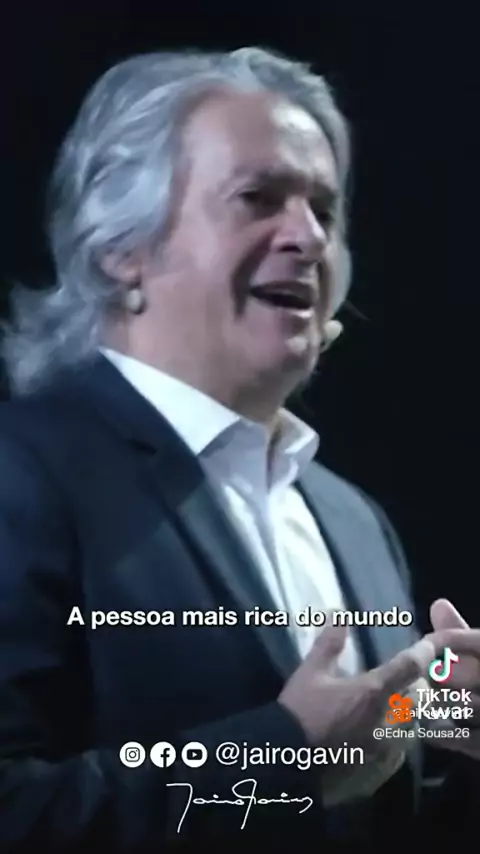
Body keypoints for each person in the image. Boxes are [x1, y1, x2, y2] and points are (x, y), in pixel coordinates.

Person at [0, 46, 479, 851]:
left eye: (325, 210)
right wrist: (282, 759)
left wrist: (459, 743)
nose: (308, 237)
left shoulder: (352, 520)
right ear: (122, 248)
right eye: (258, 198)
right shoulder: (22, 473)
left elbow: (377, 808)